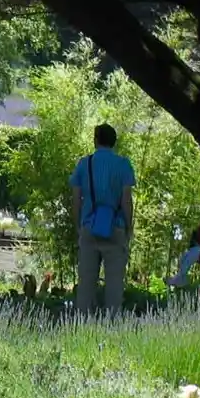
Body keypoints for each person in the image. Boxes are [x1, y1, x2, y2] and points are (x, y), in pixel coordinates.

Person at [70, 124, 136, 312]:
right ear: (114, 141)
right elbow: (126, 200)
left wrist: (78, 225)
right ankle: (111, 325)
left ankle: (83, 325)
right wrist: (129, 228)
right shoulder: (123, 164)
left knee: (86, 284)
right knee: (115, 284)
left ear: (96, 139)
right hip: (116, 227)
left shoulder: (85, 164)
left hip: (89, 226)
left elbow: (76, 199)